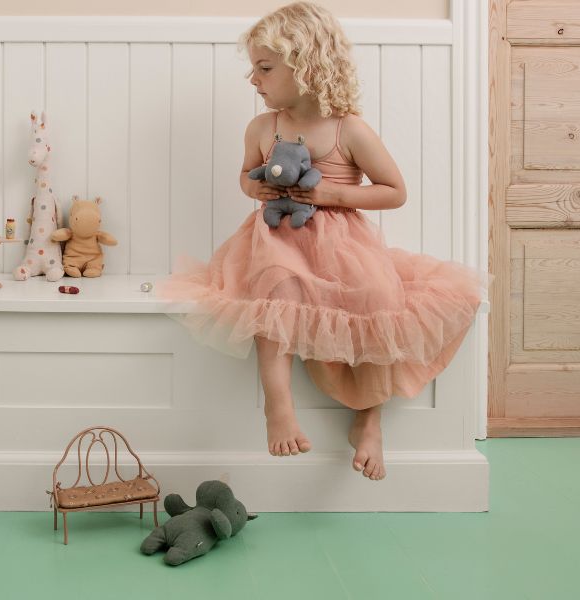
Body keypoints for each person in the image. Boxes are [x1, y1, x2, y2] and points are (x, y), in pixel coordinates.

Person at [158, 2, 482, 481]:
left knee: (379, 296)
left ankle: (369, 420)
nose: (254, 79)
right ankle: (279, 404)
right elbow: (246, 178)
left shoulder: (348, 128)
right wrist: (256, 188)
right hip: (278, 239)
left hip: (341, 244)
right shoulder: (263, 128)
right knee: (275, 291)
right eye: (253, 68)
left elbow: (395, 191)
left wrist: (331, 192)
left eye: (264, 68)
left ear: (306, 65)